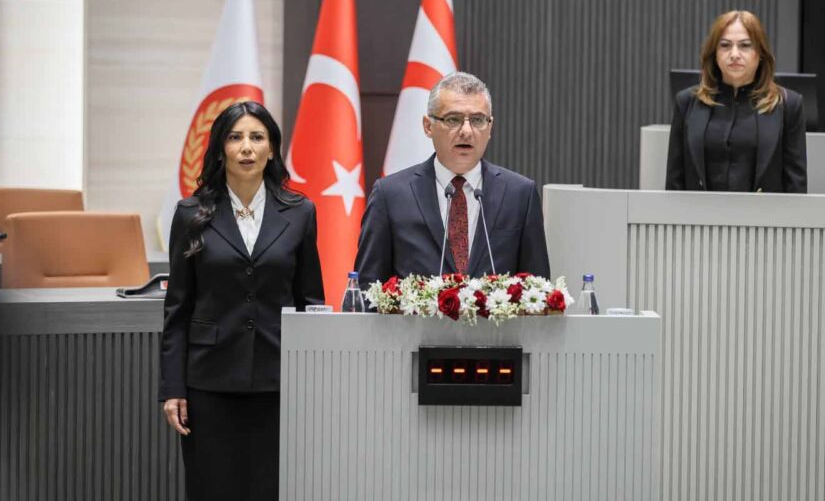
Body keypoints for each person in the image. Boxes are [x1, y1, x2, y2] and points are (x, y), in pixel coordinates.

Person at [159, 101, 324, 501]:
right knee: (212, 488)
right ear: (220, 149)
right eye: (235, 137)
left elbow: (310, 303)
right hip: (209, 382)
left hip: (279, 380)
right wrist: (172, 387)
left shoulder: (300, 212)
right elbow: (178, 309)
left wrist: (315, 382)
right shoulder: (190, 214)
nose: (247, 147)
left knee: (274, 488)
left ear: (272, 149)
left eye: (257, 137)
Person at [354, 72, 550, 291]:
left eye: (477, 120)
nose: (466, 131)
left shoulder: (520, 195)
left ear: (490, 127)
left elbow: (538, 290)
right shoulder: (390, 195)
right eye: (453, 119)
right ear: (428, 126)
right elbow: (366, 291)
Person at [665, 10, 808, 193]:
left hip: (764, 211)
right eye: (725, 45)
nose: (734, 54)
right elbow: (674, 182)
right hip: (699, 211)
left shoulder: (788, 105)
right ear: (714, 54)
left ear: (760, 53)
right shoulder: (686, 102)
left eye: (745, 45)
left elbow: (795, 185)